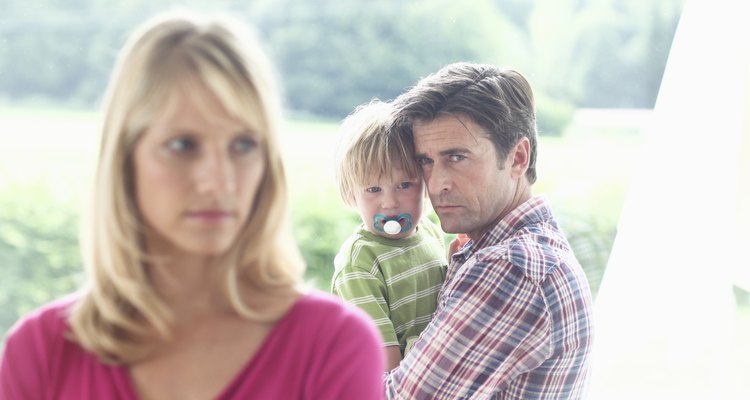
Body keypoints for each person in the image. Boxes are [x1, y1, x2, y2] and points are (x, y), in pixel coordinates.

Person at [0, 11, 385, 400]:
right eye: (183, 145)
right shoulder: (41, 351)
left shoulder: (334, 346)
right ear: (125, 160)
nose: (219, 181)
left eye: (243, 145)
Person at [383, 62, 595, 399]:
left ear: (517, 158)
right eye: (425, 161)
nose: (436, 185)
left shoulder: (513, 267)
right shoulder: (513, 250)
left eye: (457, 157)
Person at [330, 100, 448, 371]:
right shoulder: (359, 263)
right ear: (351, 195)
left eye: (404, 185)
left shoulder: (429, 231)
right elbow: (383, 361)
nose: (390, 203)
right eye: (373, 189)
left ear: (425, 184)